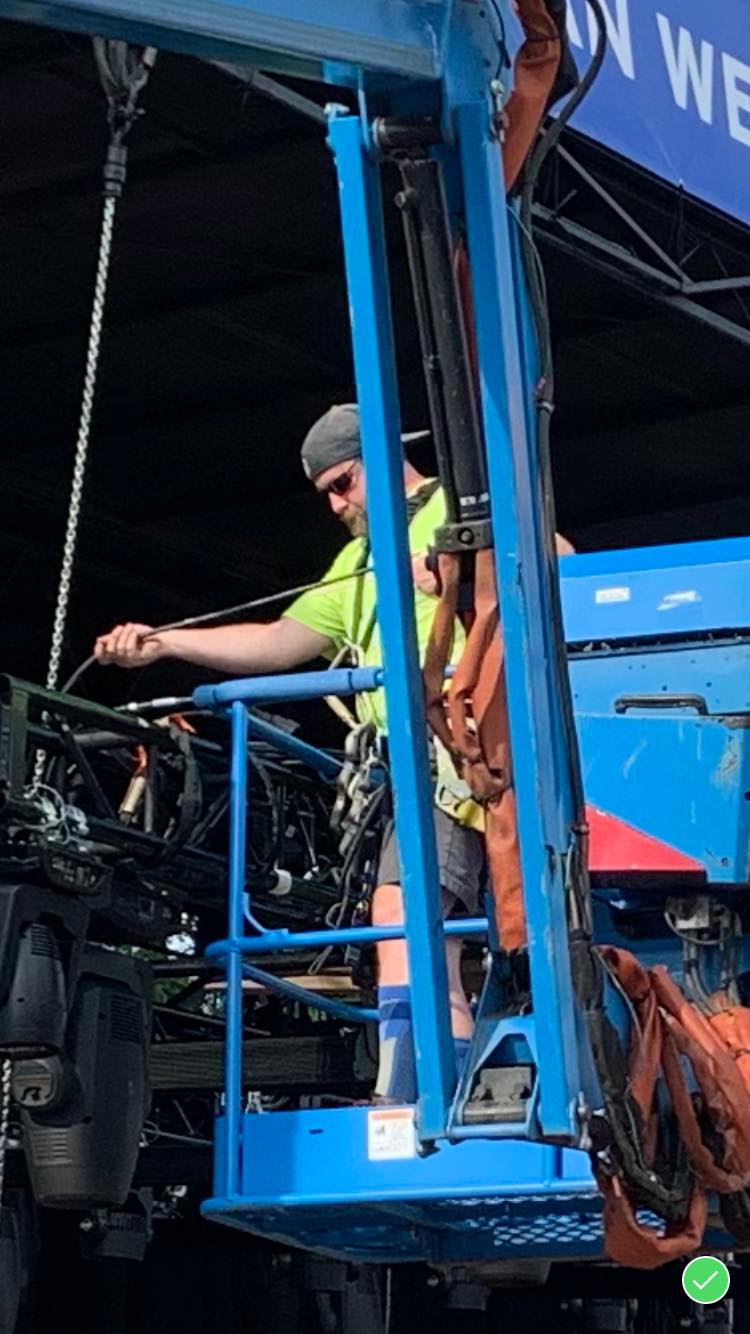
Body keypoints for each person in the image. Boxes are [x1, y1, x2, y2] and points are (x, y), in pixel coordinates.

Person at [94, 403, 573, 1102]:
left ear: (382, 460)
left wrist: (467, 571)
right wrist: (166, 643)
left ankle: (419, 1098)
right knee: (408, 923)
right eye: (325, 493)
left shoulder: (465, 510)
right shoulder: (358, 561)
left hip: (475, 745)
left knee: (409, 917)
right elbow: (278, 644)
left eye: (344, 482)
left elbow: (560, 564)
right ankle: (426, 1089)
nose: (336, 503)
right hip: (416, 763)